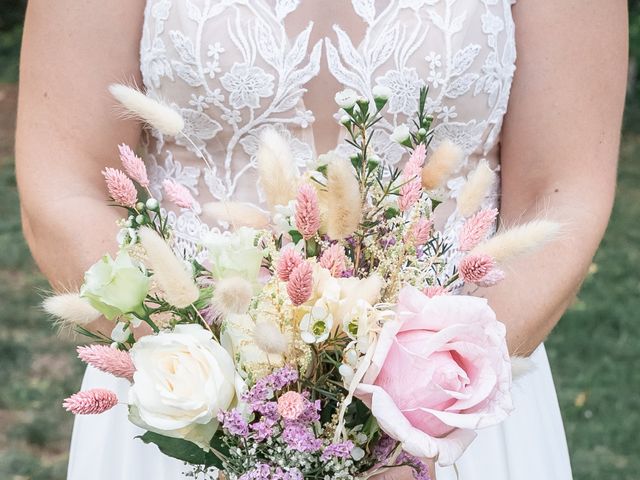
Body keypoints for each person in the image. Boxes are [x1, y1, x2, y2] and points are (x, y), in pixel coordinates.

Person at [15, 1, 627, 479]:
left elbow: (562, 193)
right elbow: (62, 186)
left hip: (452, 415)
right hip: (187, 408)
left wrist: (398, 420)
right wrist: (236, 408)